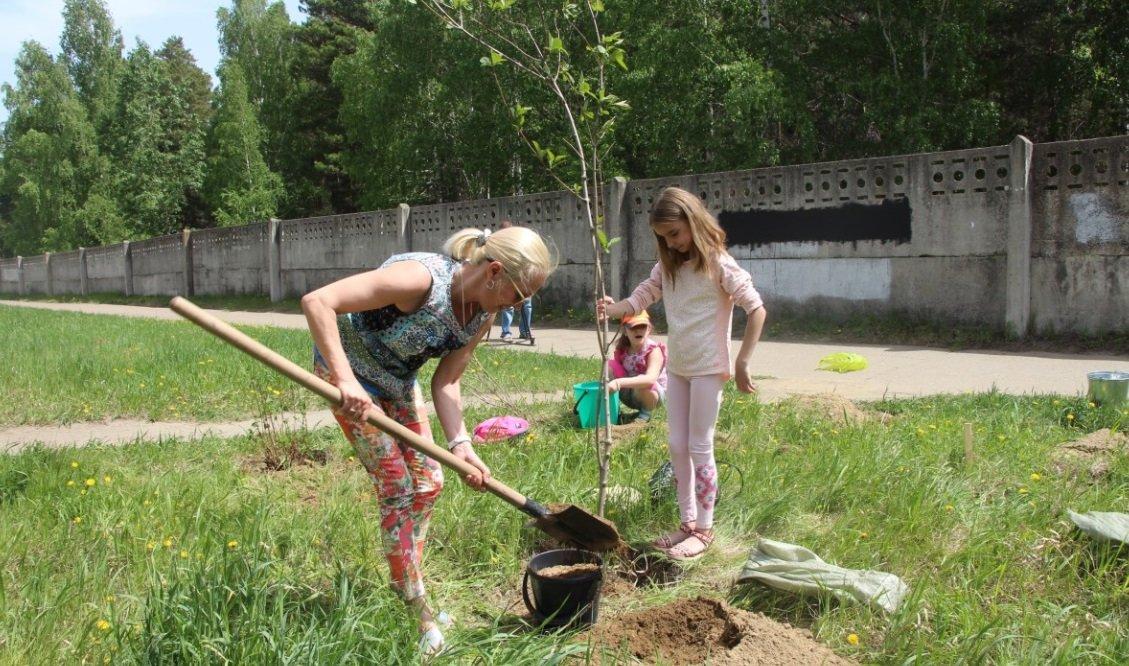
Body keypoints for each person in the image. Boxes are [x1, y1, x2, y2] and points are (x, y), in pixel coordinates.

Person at [301, 226, 556, 654]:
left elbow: (448, 380)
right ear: (494, 271)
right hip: (350, 379)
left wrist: (461, 443)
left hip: (398, 383)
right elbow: (318, 302)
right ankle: (417, 610)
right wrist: (346, 381)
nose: (519, 305)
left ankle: (406, 582)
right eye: (518, 296)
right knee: (397, 485)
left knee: (429, 482)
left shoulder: (481, 312)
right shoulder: (420, 279)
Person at [597, 186, 766, 561]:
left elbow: (756, 309)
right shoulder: (667, 267)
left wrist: (742, 362)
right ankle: (687, 523)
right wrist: (613, 309)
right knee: (677, 445)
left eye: (674, 233)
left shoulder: (719, 264)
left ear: (693, 221)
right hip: (679, 368)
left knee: (699, 446)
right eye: (663, 238)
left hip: (709, 369)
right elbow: (640, 297)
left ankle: (705, 530)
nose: (671, 244)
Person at [608, 309, 667, 423]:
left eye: (642, 326)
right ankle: (612, 409)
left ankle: (645, 415)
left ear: (649, 328)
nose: (638, 330)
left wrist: (618, 383)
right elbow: (616, 370)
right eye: (633, 327)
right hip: (629, 394)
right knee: (609, 366)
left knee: (644, 383)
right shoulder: (623, 350)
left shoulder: (653, 350)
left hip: (651, 395)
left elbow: (650, 379)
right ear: (625, 330)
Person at [497, 220, 534, 342]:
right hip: (506, 278)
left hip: (522, 277)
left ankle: (525, 331)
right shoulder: (498, 245)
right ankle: (506, 332)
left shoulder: (518, 242)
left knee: (527, 305)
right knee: (508, 305)